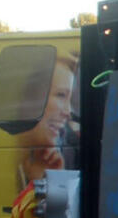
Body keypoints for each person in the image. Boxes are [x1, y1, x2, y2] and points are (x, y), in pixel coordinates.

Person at [15, 52, 77, 189]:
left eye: (69, 99)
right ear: (33, 99)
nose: (68, 112)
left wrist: (55, 177)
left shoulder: (65, 153)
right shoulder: (11, 161)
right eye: (61, 95)